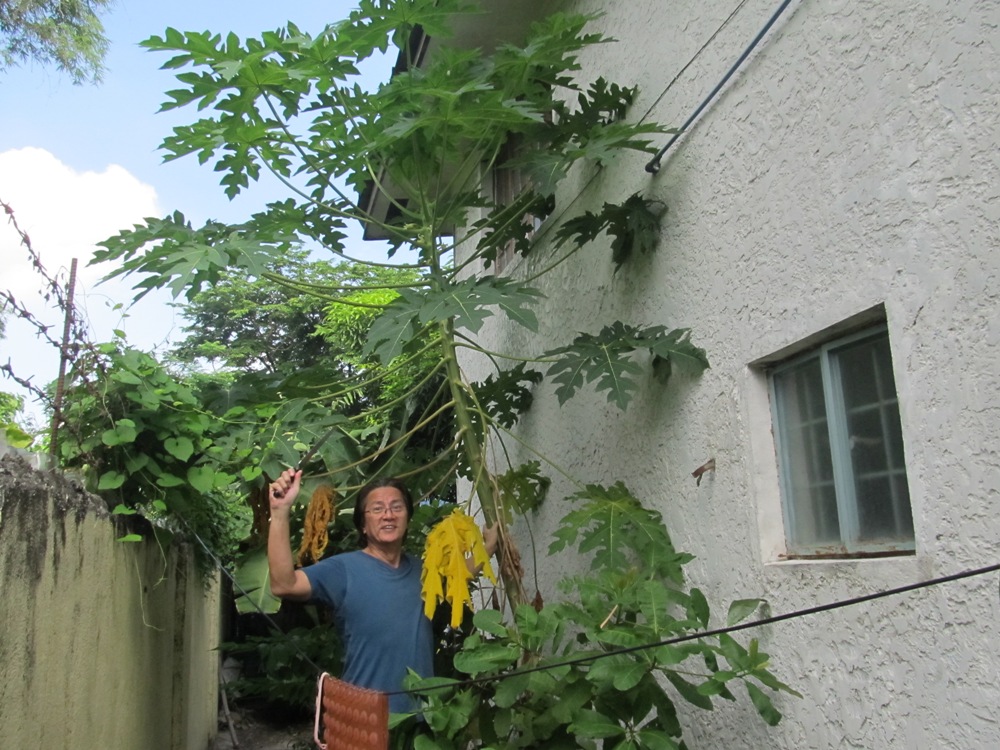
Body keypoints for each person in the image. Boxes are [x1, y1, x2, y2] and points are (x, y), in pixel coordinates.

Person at [268, 469, 497, 718]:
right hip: (363, 722)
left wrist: (489, 546)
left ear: (408, 518)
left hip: (423, 721)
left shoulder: (425, 572)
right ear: (363, 525)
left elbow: (459, 575)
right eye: (377, 509)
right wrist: (280, 513)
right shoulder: (342, 570)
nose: (388, 514)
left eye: (397, 507)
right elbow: (284, 584)